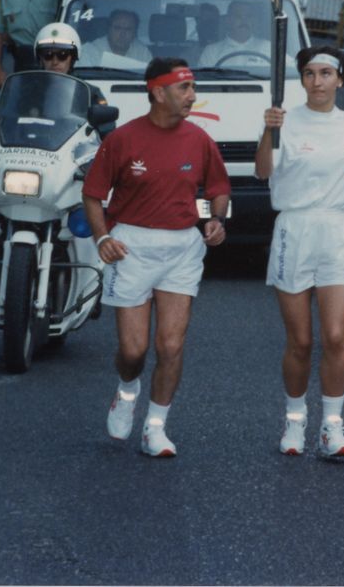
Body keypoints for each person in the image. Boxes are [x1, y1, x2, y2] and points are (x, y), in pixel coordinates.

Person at [82, 58, 230, 457]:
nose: (192, 96)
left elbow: (212, 190)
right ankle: (127, 391)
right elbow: (93, 195)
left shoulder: (200, 140)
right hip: (132, 246)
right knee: (133, 352)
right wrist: (101, 238)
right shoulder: (122, 140)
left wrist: (213, 221)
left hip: (182, 248)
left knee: (170, 346)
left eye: (193, 88)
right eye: (185, 89)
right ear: (158, 92)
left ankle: (155, 428)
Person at [255, 47, 344, 457]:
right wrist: (268, 132)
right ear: (302, 80)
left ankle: (332, 427)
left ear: (340, 80)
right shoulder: (283, 120)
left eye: (326, 73)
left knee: (335, 336)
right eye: (310, 74)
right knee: (300, 341)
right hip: (293, 228)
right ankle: (295, 421)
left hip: (337, 230)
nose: (318, 81)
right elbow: (263, 171)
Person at [32, 22, 114, 134]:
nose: (55, 62)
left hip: (73, 150)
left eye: (62, 55)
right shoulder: (27, 91)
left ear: (73, 58)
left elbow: (106, 129)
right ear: (40, 59)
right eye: (48, 55)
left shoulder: (90, 93)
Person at [199, 1, 266, 67]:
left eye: (249, 16)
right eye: (238, 16)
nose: (244, 21)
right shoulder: (211, 51)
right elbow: (204, 77)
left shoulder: (267, 47)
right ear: (228, 20)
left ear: (254, 21)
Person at [81, 9, 151, 66]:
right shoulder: (90, 51)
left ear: (134, 33)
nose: (122, 34)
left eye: (128, 29)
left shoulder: (143, 53)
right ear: (108, 29)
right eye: (117, 28)